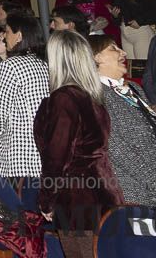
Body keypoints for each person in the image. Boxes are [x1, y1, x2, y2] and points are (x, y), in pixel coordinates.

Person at [34, 30, 121, 258]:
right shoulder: (92, 97)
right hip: (105, 189)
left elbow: (57, 157)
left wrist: (46, 200)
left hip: (77, 198)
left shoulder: (64, 98)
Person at [89, 35, 156, 212]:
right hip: (134, 196)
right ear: (95, 57)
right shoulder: (94, 97)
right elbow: (116, 148)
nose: (124, 52)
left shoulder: (134, 89)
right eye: (114, 49)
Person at [0, 11, 49, 200]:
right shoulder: (43, 64)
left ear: (19, 35)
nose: (5, 36)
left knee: (18, 217)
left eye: (7, 32)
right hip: (40, 153)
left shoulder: (11, 65)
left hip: (16, 156)